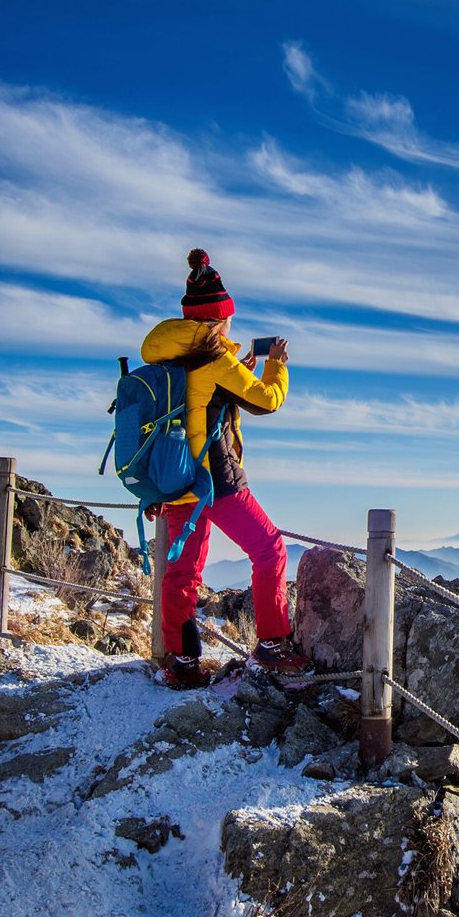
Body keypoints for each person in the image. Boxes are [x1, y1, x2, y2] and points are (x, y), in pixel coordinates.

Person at [141, 248, 310, 688]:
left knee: (182, 571)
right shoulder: (216, 359)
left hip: (174, 474)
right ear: (219, 320)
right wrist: (276, 366)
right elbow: (266, 401)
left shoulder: (169, 356)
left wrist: (239, 371)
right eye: (227, 319)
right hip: (214, 478)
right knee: (269, 549)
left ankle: (179, 662)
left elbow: (199, 399)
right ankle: (273, 644)